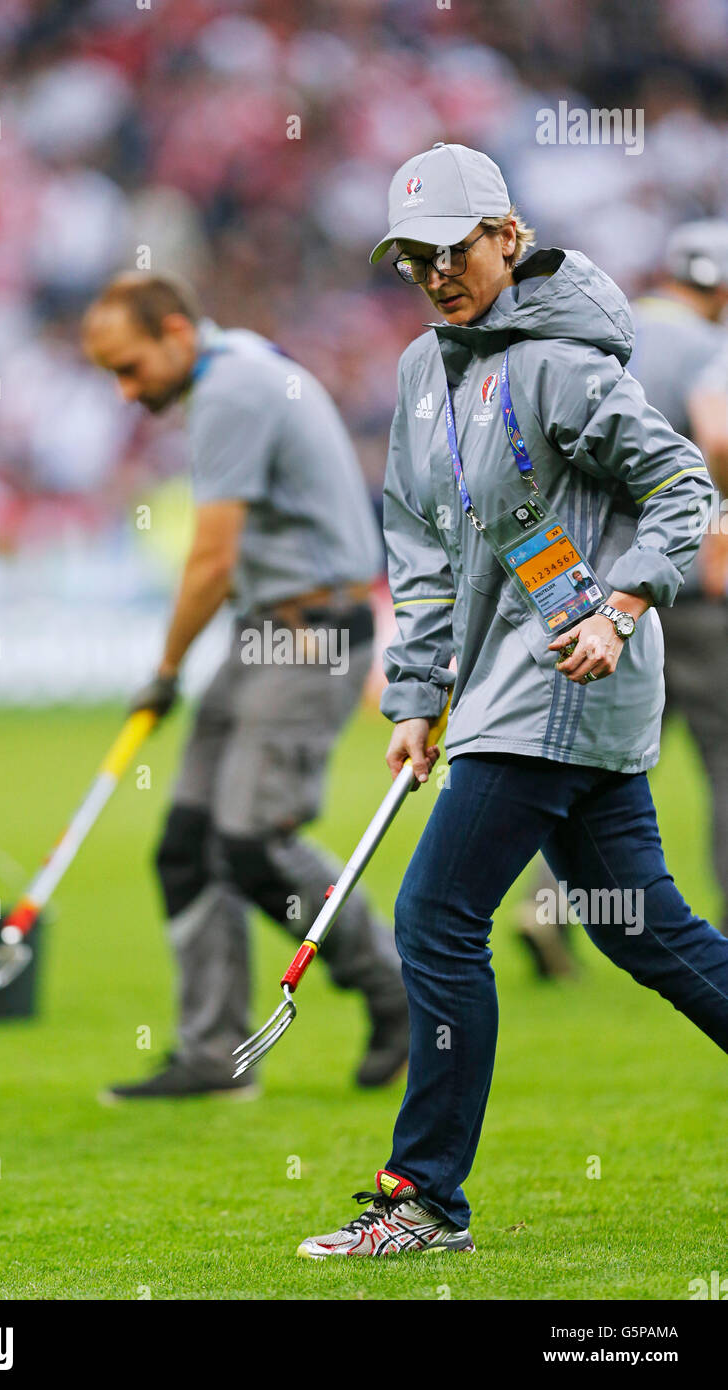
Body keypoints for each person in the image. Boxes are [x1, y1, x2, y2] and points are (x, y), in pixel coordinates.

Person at [297, 142, 728, 1259]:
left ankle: (422, 1198)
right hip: (496, 694)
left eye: (450, 251)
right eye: (410, 259)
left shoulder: (564, 365)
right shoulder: (416, 372)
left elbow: (685, 485)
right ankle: (425, 1199)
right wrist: (414, 691)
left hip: (566, 684)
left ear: (506, 236)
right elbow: (421, 549)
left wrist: (620, 605)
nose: (432, 275)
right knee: (651, 934)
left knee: (434, 916)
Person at [81, 273, 409, 1100]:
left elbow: (212, 558)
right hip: (267, 629)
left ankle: (396, 987)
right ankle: (215, 1058)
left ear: (177, 334)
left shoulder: (230, 390)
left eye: (130, 368)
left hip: (312, 635)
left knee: (253, 841)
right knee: (188, 846)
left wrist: (162, 673)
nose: (126, 391)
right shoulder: (232, 366)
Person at [517, 220, 728, 976]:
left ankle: (545, 905)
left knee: (596, 762)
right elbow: (721, 438)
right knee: (724, 758)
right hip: (691, 583)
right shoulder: (711, 346)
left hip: (599, 581)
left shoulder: (615, 333)